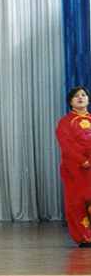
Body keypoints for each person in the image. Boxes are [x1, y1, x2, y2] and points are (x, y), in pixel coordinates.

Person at [54, 86, 91, 248]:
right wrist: (83, 161)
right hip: (73, 169)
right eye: (76, 96)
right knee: (76, 203)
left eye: (83, 95)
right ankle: (84, 238)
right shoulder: (65, 122)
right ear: (70, 102)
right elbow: (66, 145)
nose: (80, 98)